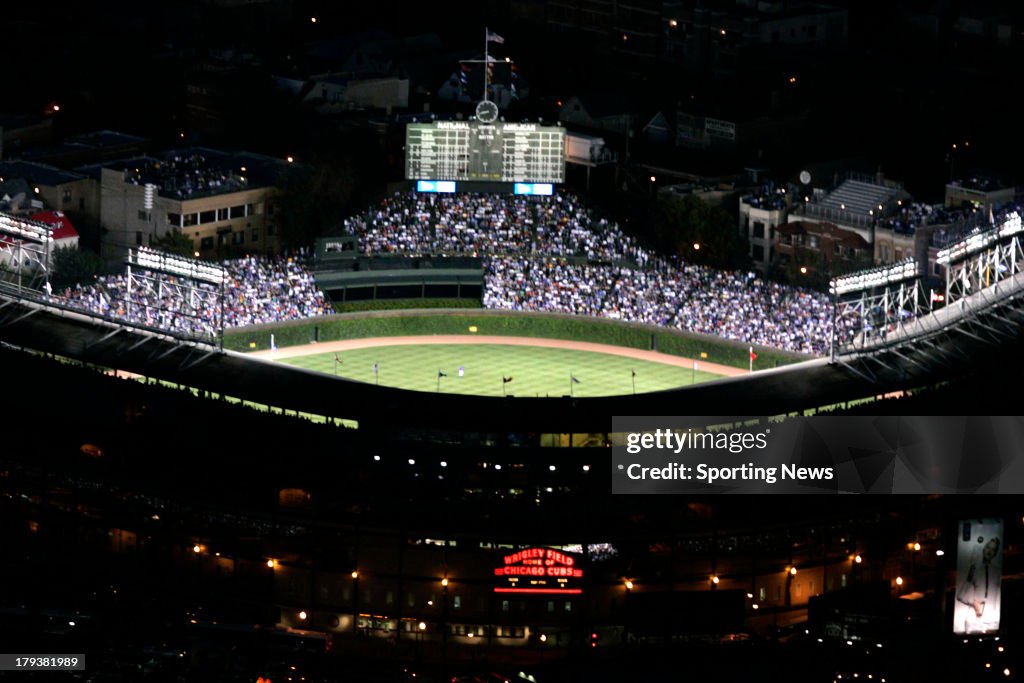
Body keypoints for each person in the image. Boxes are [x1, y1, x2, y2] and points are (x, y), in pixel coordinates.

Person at [956, 535, 1001, 634]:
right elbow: (960, 595)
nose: (989, 551)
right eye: (988, 547)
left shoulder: (997, 571)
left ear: (995, 554)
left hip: (991, 620)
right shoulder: (975, 568)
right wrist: (974, 603)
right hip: (973, 621)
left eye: (993, 550)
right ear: (984, 548)